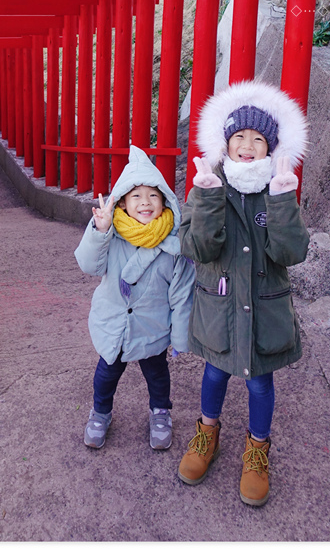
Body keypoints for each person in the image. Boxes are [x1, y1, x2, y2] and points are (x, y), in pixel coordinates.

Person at [177, 80, 309, 507]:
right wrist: (209, 196)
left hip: (265, 311)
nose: (248, 146)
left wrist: (284, 199)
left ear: (270, 148)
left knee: (260, 384)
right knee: (214, 372)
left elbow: (290, 252)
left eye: (258, 139)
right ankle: (206, 434)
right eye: (239, 137)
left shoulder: (278, 188)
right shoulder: (208, 183)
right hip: (220, 307)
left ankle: (257, 449)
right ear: (226, 143)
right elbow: (199, 248)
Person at [75, 146, 195, 451]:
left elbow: (181, 295)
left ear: (165, 201)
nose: (145, 202)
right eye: (136, 196)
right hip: (114, 324)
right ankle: (100, 413)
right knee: (106, 374)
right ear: (123, 203)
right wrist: (98, 232)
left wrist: (180, 337)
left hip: (152, 327)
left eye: (153, 195)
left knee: (157, 374)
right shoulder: (111, 236)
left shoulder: (173, 247)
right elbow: (89, 265)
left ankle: (160, 412)